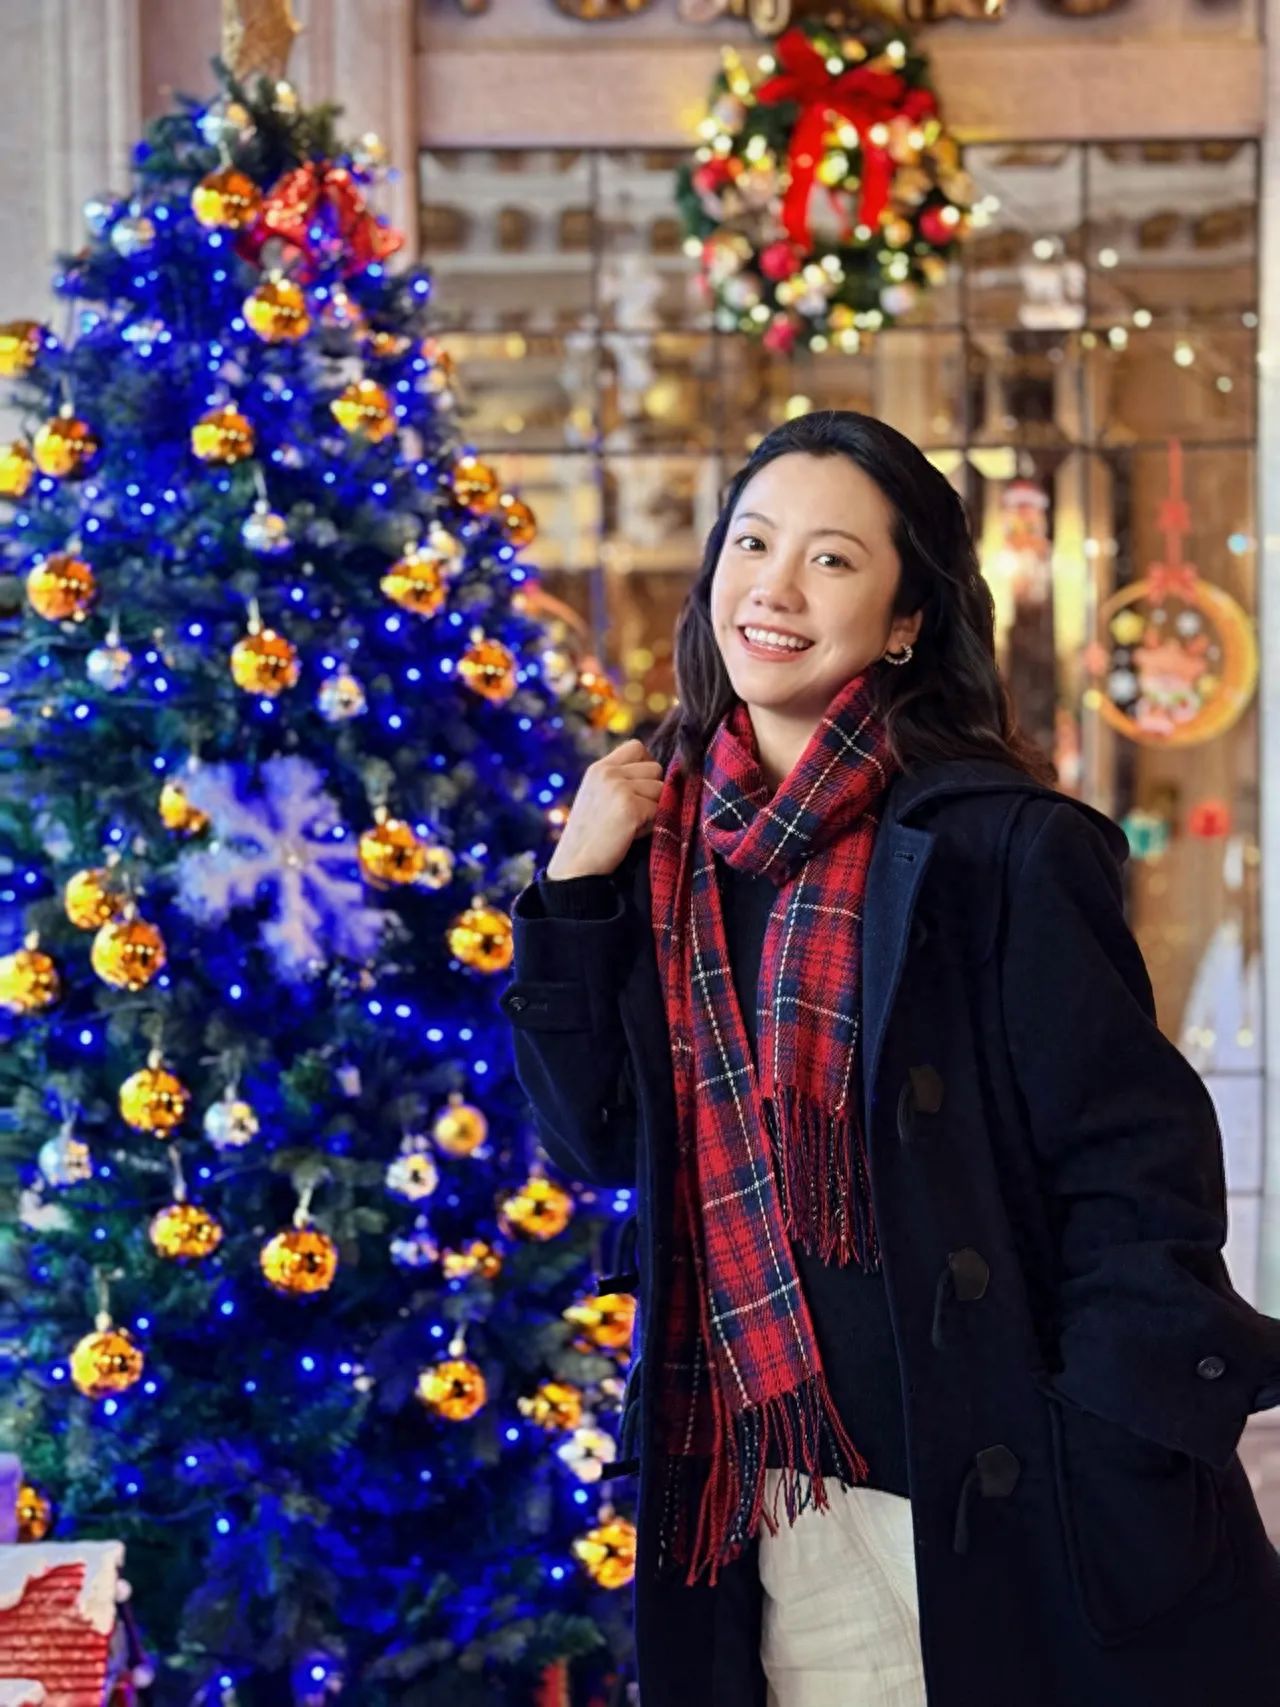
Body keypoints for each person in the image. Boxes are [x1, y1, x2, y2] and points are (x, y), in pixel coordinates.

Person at [500, 410, 1280, 1707]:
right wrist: (574, 890)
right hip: (757, 1501)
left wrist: (1103, 1445)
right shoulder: (661, 846)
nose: (777, 586)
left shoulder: (1003, 849)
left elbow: (1137, 1184)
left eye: (834, 559)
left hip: (997, 1496)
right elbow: (594, 1141)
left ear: (908, 618)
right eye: (754, 542)